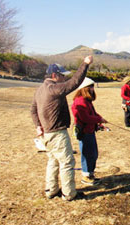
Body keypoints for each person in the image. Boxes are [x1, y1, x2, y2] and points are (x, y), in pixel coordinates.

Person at [30, 56, 93, 201]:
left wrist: (38, 126)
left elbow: (33, 109)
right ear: (54, 76)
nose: (64, 78)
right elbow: (75, 82)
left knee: (53, 160)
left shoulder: (40, 90)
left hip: (47, 133)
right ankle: (69, 194)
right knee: (67, 162)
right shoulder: (54, 88)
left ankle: (51, 190)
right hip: (57, 133)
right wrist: (85, 64)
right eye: (61, 75)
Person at [71, 77, 107, 186]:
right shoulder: (79, 102)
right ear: (85, 88)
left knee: (93, 154)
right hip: (84, 133)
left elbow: (93, 114)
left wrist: (99, 120)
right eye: (91, 87)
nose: (93, 89)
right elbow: (85, 118)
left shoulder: (87, 101)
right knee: (87, 154)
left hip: (90, 131)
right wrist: (99, 119)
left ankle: (91, 174)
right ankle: (86, 176)